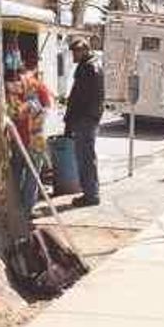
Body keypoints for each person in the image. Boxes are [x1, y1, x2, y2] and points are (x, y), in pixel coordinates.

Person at [6, 54, 52, 220]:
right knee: (33, 175)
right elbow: (47, 106)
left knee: (16, 173)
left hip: (17, 137)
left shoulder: (10, 87)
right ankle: (27, 209)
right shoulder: (37, 85)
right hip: (35, 137)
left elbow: (11, 113)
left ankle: (15, 208)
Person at [64, 37, 104, 207]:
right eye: (73, 51)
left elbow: (78, 98)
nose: (74, 55)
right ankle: (91, 192)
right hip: (90, 118)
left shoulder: (88, 68)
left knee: (85, 157)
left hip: (85, 119)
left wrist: (70, 120)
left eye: (76, 51)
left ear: (85, 50)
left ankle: (91, 195)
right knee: (88, 156)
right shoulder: (94, 65)